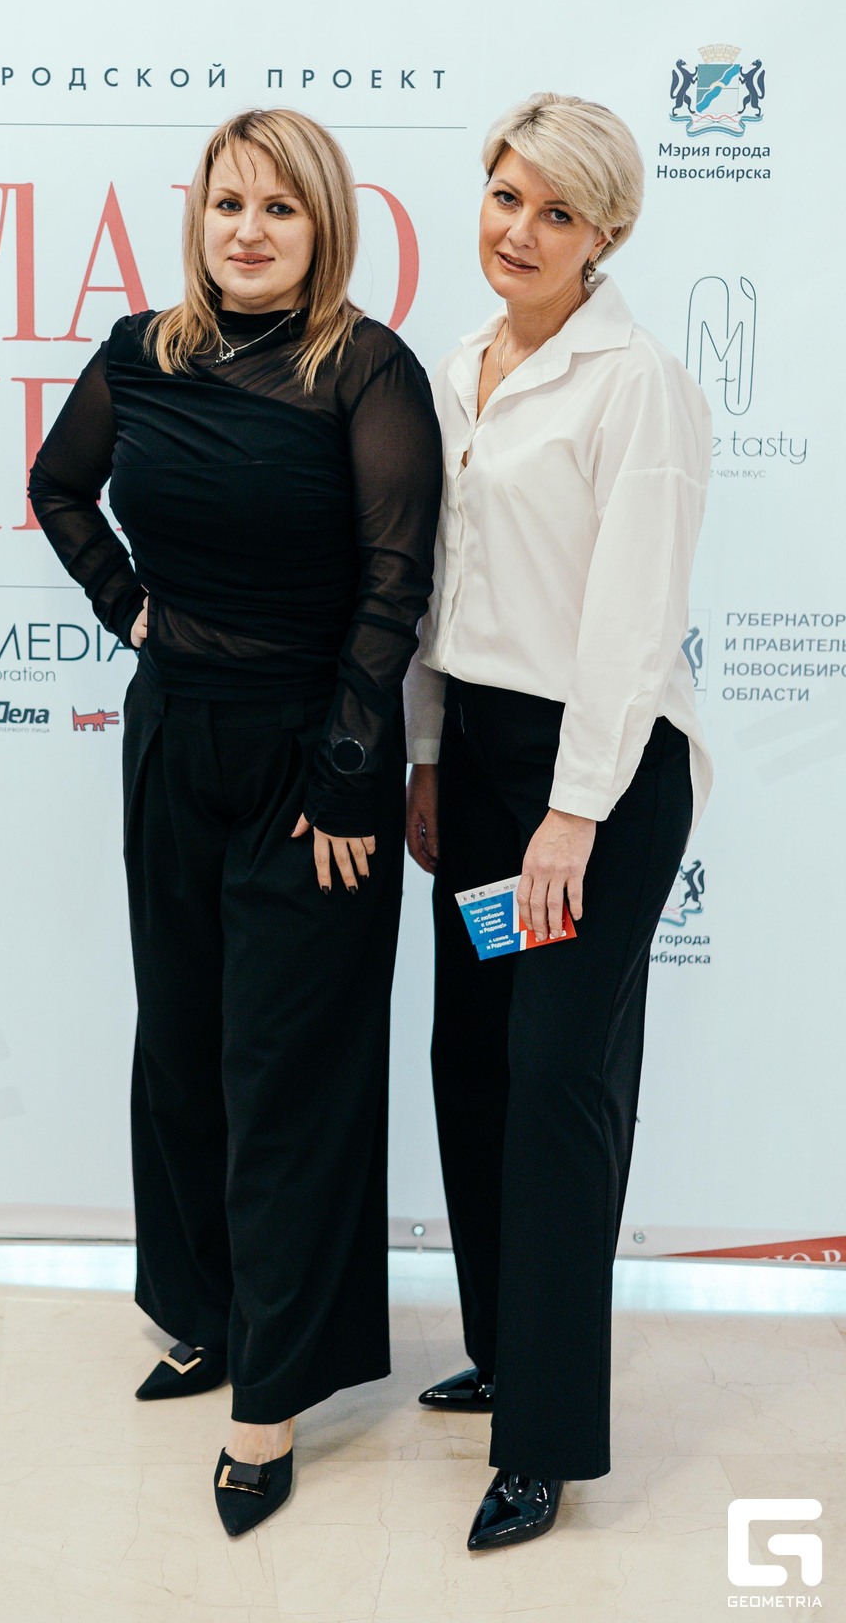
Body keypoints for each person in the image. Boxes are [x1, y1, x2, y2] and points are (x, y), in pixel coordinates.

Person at [29, 107, 441, 1534]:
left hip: (313, 764)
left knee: (288, 1075)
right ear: (197, 218)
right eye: (227, 205)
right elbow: (57, 486)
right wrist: (128, 609)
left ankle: (272, 1391)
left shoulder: (366, 368)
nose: (248, 230)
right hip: (173, 742)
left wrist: (347, 766)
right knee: (186, 1046)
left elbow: (394, 582)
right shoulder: (139, 352)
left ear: (324, 227)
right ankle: (205, 1313)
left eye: (280, 207)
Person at [403, 93, 711, 1553]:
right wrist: (426, 757)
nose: (518, 230)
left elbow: (632, 621)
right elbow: (439, 592)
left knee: (554, 1080)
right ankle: (503, 1347)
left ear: (609, 235)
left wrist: (572, 813)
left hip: (599, 778)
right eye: (505, 195)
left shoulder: (636, 385)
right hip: (478, 761)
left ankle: (545, 1440)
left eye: (557, 211)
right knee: (473, 1057)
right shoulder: (455, 367)